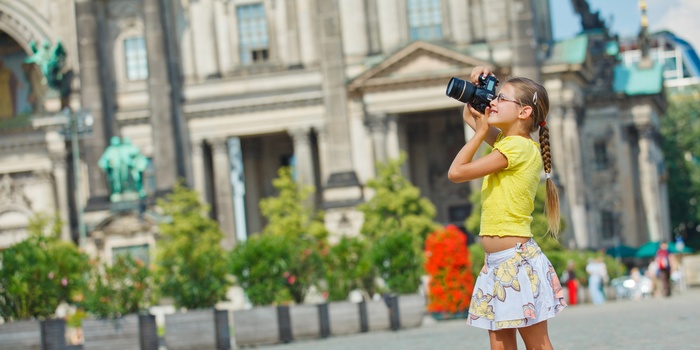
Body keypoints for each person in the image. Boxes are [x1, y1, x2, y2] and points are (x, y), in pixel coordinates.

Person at [448, 66, 566, 350]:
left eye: (502, 98)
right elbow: (469, 115)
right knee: (500, 346)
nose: (494, 103)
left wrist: (480, 134)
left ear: (524, 112)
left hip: (516, 261)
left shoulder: (517, 149)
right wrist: (478, 89)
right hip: (496, 265)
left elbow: (456, 172)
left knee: (537, 345)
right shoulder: (508, 143)